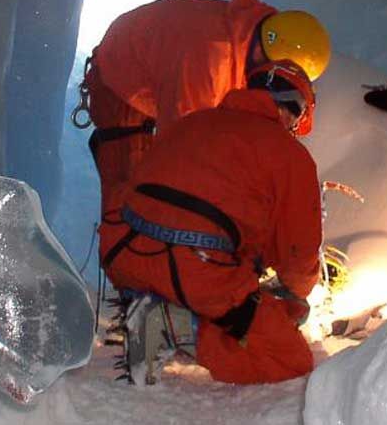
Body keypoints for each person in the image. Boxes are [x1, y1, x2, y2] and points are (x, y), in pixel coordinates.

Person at [98, 60, 323, 385]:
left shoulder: (193, 121)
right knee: (291, 360)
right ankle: (174, 325)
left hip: (123, 250)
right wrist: (294, 298)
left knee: (219, 287)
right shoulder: (289, 155)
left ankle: (155, 306)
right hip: (193, 267)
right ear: (292, 110)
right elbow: (297, 254)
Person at [79, 0, 330, 216]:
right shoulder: (209, 61)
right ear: (265, 56)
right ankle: (129, 255)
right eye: (274, 75)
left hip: (161, 66)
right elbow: (181, 146)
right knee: (136, 194)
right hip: (122, 80)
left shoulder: (264, 32)